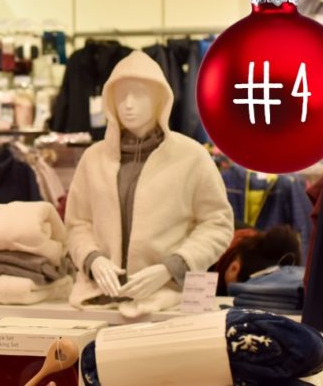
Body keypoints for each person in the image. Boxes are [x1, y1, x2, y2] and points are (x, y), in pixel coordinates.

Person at [66, 51, 233, 318]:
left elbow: (217, 223)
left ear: (158, 99)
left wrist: (172, 267)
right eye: (120, 95)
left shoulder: (190, 156)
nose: (128, 104)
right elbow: (77, 224)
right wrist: (92, 259)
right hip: (95, 302)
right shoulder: (93, 159)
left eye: (139, 94)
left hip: (168, 303)